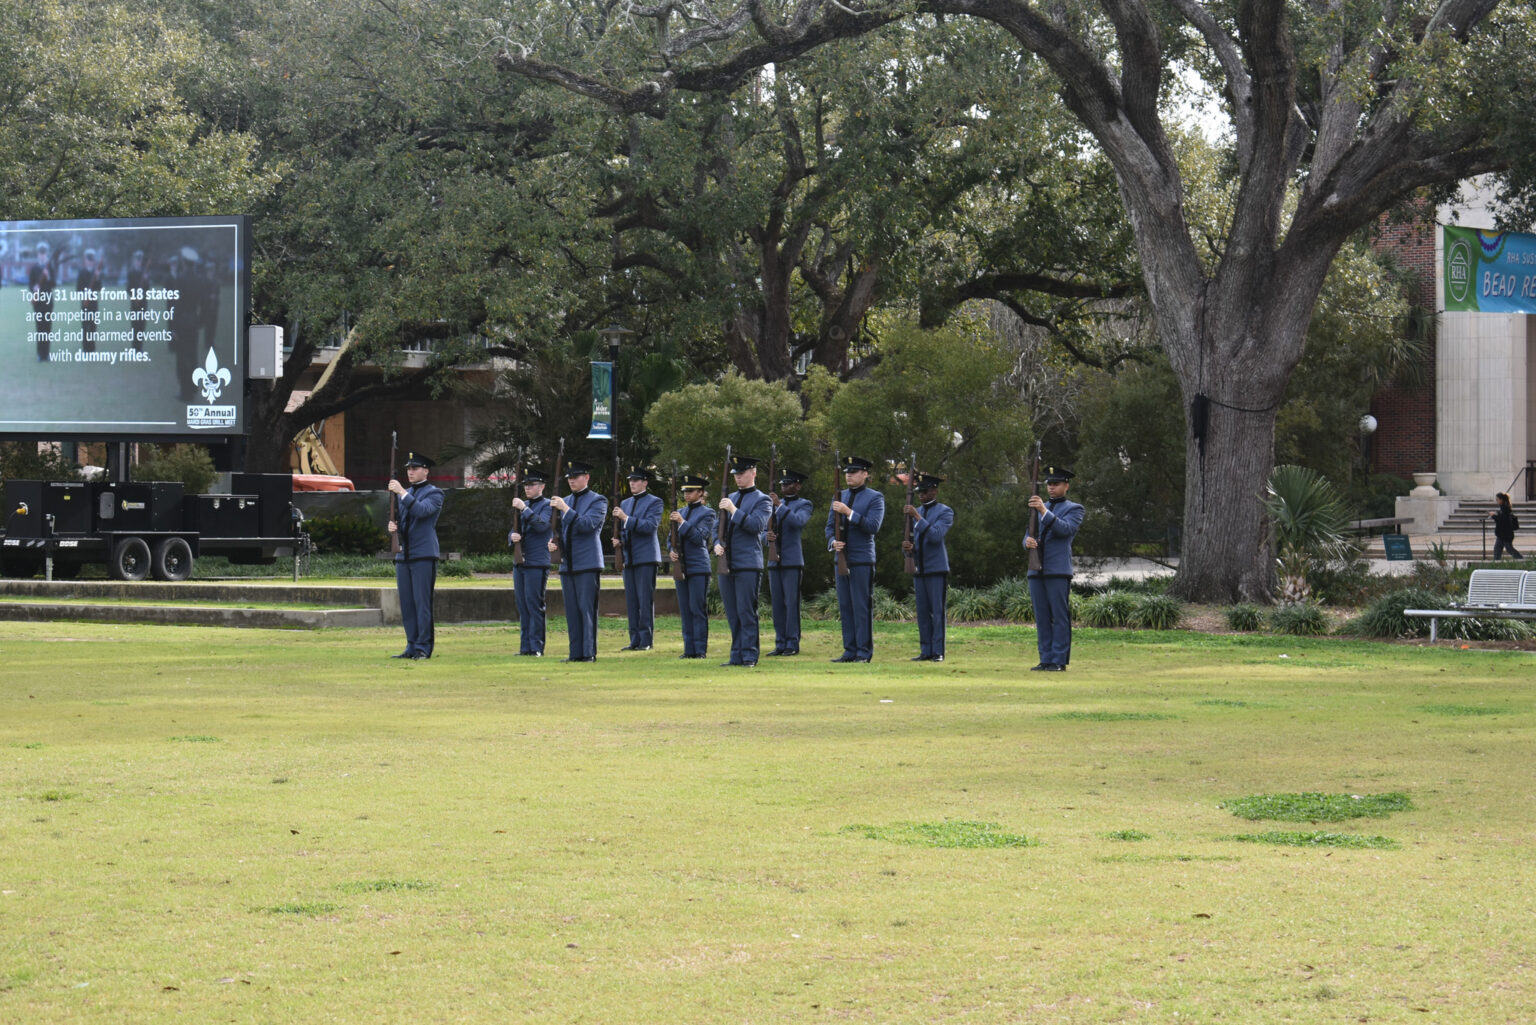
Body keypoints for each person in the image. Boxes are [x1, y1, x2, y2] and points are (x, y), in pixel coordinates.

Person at [825, 454, 886, 663]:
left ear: (865, 474)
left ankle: (863, 652)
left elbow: (873, 526)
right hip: (841, 558)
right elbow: (829, 527)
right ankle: (849, 650)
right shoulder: (838, 495)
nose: (849, 476)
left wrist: (849, 512)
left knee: (861, 606)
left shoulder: (875, 497)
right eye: (847, 472)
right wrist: (833, 541)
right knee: (845, 606)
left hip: (861, 559)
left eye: (854, 472)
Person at [1024, 465, 1085, 671]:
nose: (1051, 488)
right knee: (1041, 617)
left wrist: (1043, 510)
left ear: (1066, 486)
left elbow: (1065, 530)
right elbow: (1028, 533)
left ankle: (1059, 660)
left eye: (1056, 484)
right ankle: (1046, 658)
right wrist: (1027, 542)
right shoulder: (1037, 507)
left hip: (1057, 569)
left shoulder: (1074, 508)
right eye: (1049, 484)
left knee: (1059, 616)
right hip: (1036, 569)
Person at [715, 454, 772, 666]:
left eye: (742, 473)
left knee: (746, 611)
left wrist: (733, 510)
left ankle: (749, 655)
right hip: (727, 562)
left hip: (748, 563)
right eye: (736, 474)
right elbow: (716, 526)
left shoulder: (762, 500)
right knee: (732, 612)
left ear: (753, 473)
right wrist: (716, 543)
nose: (738, 478)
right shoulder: (728, 497)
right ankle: (736, 655)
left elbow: (756, 526)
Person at [388, 451, 445, 660]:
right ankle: (411, 645)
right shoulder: (406, 493)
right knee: (408, 604)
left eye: (415, 468)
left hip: (423, 554)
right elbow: (405, 520)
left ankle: (423, 647)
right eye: (408, 469)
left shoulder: (435, 493)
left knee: (422, 603)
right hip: (405, 555)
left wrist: (402, 492)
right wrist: (394, 527)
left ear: (426, 471)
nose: (410, 472)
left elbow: (422, 511)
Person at [550, 462, 608, 662]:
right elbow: (559, 531)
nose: (572, 480)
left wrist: (565, 509)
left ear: (587, 477)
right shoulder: (563, 500)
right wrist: (554, 544)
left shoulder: (598, 500)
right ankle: (575, 653)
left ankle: (588, 653)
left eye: (576, 476)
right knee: (572, 612)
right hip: (568, 564)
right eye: (569, 477)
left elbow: (587, 525)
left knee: (587, 610)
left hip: (587, 563)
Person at [904, 472, 954, 662]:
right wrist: (909, 549)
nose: (921, 495)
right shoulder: (916, 511)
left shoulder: (944, 511)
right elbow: (913, 539)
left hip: (936, 568)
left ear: (935, 490)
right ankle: (926, 650)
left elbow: (935, 536)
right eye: (919, 492)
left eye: (925, 491)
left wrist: (917, 517)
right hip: (919, 568)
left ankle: (938, 651)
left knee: (937, 611)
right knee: (923, 612)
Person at [613, 466, 664, 650]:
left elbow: (649, 526)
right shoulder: (625, 503)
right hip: (629, 557)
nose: (632, 483)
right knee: (632, 602)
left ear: (645, 482)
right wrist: (618, 541)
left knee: (644, 600)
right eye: (631, 480)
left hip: (646, 557)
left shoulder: (655, 502)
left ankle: (646, 640)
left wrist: (626, 518)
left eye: (636, 480)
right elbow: (626, 530)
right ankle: (634, 639)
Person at [765, 468, 813, 656]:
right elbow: (763, 529)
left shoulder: (804, 504)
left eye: (788, 483)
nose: (784, 486)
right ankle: (780, 642)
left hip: (792, 560)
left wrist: (779, 506)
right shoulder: (772, 505)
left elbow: (798, 522)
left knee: (791, 603)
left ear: (798, 485)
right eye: (783, 484)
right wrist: (765, 537)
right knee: (777, 604)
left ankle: (792, 643)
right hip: (773, 560)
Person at [669, 474, 716, 659]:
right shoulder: (680, 510)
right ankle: (689, 649)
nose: (687, 494)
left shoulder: (707, 513)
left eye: (691, 491)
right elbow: (669, 538)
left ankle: (700, 649)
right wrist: (671, 549)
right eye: (685, 491)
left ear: (701, 493)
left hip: (698, 566)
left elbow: (699, 538)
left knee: (697, 608)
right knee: (686, 610)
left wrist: (682, 522)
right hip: (681, 565)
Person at [508, 467, 553, 656]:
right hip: (521, 563)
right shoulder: (522, 505)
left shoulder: (547, 505)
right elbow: (512, 530)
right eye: (526, 485)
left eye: (531, 484)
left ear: (541, 486)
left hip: (536, 561)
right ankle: (525, 646)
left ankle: (536, 646)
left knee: (535, 605)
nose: (528, 488)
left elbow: (543, 526)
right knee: (523, 605)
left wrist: (524, 509)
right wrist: (512, 538)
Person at [28, 242, 56, 362]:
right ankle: (40, 354)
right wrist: (34, 287)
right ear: (38, 254)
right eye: (40, 253)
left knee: (47, 328)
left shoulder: (49, 267)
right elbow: (30, 284)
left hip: (48, 302)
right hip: (38, 302)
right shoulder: (34, 268)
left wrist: (48, 276)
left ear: (46, 254)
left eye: (44, 253)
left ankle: (47, 354)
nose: (42, 255)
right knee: (40, 329)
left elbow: (54, 284)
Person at [76, 249, 103, 352]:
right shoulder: (81, 272)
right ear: (85, 260)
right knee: (85, 327)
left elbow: (99, 288)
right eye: (88, 259)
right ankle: (85, 349)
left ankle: (92, 349)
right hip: (85, 304)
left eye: (91, 260)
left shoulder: (96, 273)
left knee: (93, 327)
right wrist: (85, 292)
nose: (90, 262)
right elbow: (78, 288)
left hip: (93, 304)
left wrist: (97, 278)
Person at [1490, 492, 1522, 560]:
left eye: (1497, 499)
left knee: (1508, 549)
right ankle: (1496, 563)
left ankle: (1521, 559)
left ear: (1502, 500)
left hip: (1506, 534)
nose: (1497, 501)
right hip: (1502, 534)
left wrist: (1493, 516)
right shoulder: (1503, 508)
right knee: (1498, 549)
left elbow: (1502, 521)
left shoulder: (1505, 509)